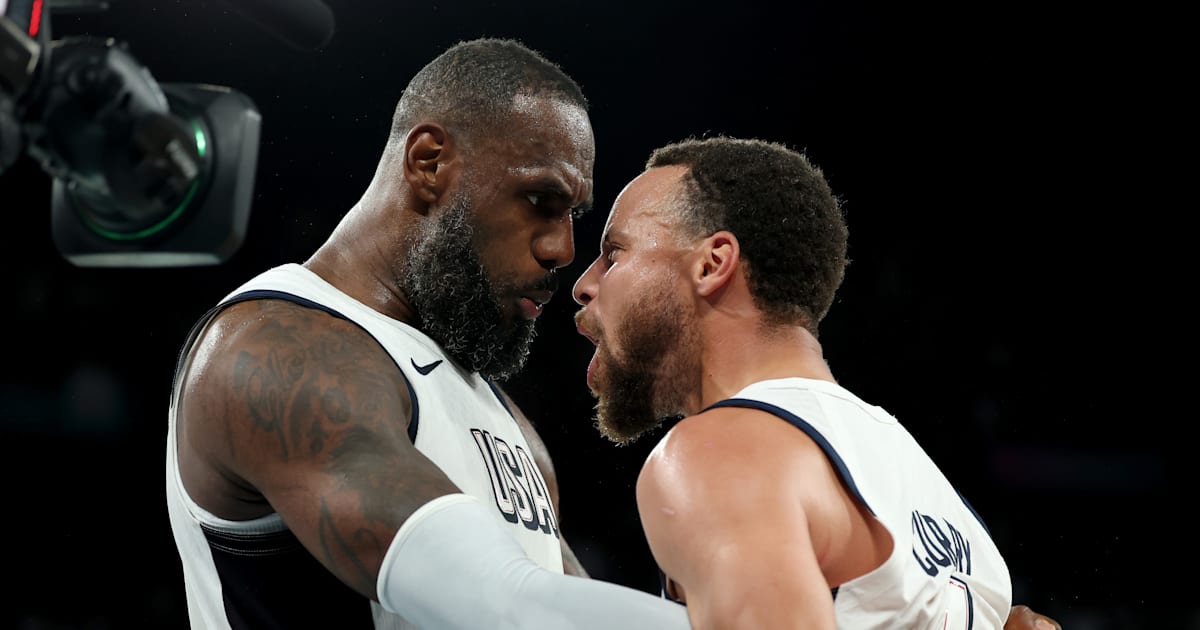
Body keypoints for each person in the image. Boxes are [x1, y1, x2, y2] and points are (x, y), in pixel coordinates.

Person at [165, 36, 692, 629]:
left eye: (574, 214)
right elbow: (501, 605)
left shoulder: (503, 419)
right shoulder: (274, 352)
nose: (563, 248)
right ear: (429, 162)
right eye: (540, 199)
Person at [571, 136, 1063, 630]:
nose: (584, 285)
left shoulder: (720, 452)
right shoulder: (916, 474)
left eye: (614, 253)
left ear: (711, 264)